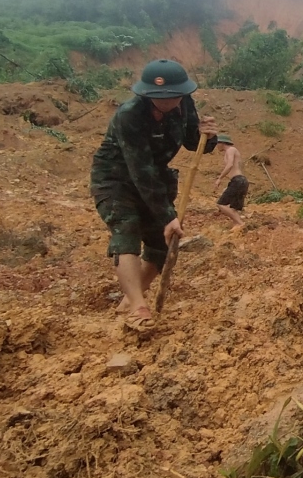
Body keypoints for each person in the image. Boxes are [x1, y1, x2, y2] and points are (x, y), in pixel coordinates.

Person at [90, 59, 217, 329]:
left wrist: (208, 135)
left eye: (173, 96)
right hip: (116, 179)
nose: (167, 101)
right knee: (127, 230)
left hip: (154, 178)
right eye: (158, 96)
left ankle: (130, 299)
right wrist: (168, 214)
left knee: (162, 244)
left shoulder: (185, 106)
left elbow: (195, 144)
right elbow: (140, 170)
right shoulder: (130, 115)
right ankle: (138, 307)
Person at [212, 133, 249, 232]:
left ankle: (241, 223)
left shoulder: (230, 150)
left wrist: (220, 178)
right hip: (240, 180)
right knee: (233, 208)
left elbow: (229, 165)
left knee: (221, 204)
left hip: (238, 180)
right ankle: (237, 226)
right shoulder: (231, 151)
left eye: (217, 143)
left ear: (222, 143)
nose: (216, 146)